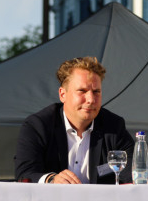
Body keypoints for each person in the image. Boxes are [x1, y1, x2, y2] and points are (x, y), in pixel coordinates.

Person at [14, 56, 134, 184]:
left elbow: (132, 173)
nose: (91, 99)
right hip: (53, 197)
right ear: (62, 94)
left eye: (96, 92)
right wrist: (51, 180)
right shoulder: (38, 126)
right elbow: (25, 174)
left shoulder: (114, 126)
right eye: (82, 91)